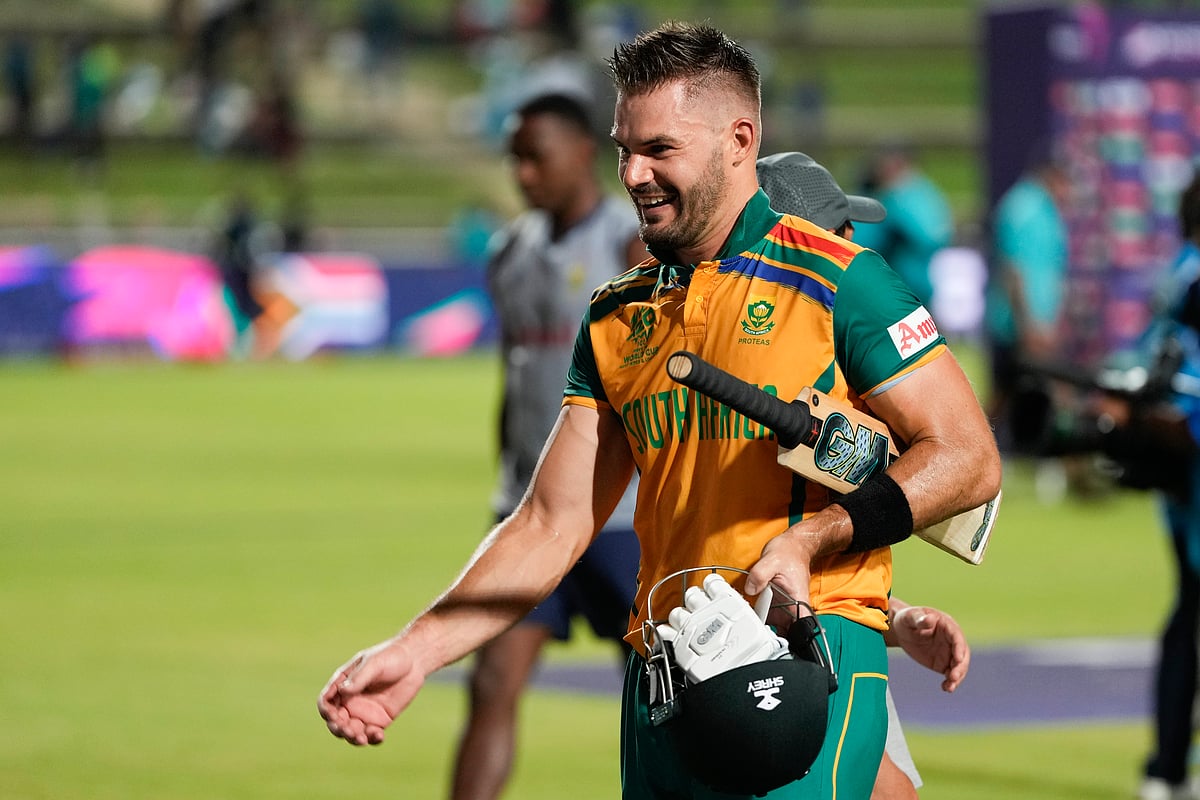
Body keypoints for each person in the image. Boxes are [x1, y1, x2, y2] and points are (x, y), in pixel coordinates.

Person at [318, 21, 1001, 800]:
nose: (634, 173)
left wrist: (814, 540)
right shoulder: (615, 315)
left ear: (739, 140)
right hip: (665, 674)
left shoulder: (844, 283)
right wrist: (418, 648)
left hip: (804, 657)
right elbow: (551, 521)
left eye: (659, 150)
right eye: (623, 149)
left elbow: (967, 456)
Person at [757, 150, 972, 800]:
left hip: (836, 629)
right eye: (841, 232)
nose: (855, 246)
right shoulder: (771, 385)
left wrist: (894, 619)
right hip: (781, 654)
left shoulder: (828, 369)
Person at [449, 91, 644, 800]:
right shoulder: (510, 253)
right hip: (526, 512)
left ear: (583, 153)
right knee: (493, 679)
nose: (523, 174)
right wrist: (508, 482)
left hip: (621, 514)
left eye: (537, 157)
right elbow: (515, 379)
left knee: (658, 698)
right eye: (515, 159)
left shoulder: (629, 245)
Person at [1134, 173, 1200, 800]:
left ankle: (1169, 766)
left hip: (1180, 472)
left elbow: (1147, 360)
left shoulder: (1178, 269)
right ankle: (1169, 766)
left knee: (1188, 612)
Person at [983, 146, 1071, 453]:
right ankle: (1068, 465)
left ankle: (977, 450)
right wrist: (1029, 324)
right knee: (1038, 390)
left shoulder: (1046, 210)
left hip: (1037, 321)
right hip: (1019, 323)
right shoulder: (1022, 208)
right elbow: (1015, 271)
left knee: (1010, 393)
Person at [852, 141, 954, 311]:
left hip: (915, 291)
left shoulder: (915, 194)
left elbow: (932, 237)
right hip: (879, 291)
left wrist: (897, 204)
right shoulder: (874, 195)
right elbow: (858, 242)